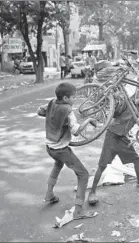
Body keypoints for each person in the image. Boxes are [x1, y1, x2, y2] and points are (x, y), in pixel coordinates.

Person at [87, 88, 139, 205]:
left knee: (136, 159)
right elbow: (114, 110)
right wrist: (115, 98)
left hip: (122, 138)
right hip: (112, 136)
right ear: (138, 95)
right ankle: (92, 192)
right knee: (102, 165)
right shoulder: (127, 103)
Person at [37, 82, 98, 219]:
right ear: (65, 98)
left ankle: (49, 194)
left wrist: (53, 118)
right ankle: (78, 211)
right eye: (73, 97)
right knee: (83, 175)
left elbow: (40, 111)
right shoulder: (68, 111)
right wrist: (88, 119)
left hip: (50, 147)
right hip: (61, 149)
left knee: (57, 165)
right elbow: (76, 131)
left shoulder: (52, 102)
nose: (74, 99)